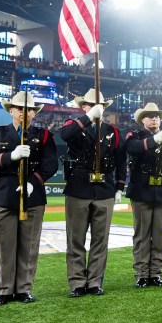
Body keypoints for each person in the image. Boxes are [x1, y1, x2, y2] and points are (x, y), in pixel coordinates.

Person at [0, 91, 58, 306]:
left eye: (29, 109)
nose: (25, 112)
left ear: (34, 113)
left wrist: (33, 181)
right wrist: (10, 156)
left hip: (33, 195)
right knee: (4, 246)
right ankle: (4, 290)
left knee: (29, 246)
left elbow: (51, 164)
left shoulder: (44, 136)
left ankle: (23, 289)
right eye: (20, 109)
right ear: (11, 110)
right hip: (3, 195)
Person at [59, 88, 127, 297]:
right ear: (84, 107)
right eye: (91, 106)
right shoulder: (74, 125)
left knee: (100, 240)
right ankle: (77, 282)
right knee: (76, 239)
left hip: (105, 190)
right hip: (79, 188)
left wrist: (119, 187)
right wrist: (88, 118)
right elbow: (64, 136)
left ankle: (95, 281)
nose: (98, 109)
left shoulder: (112, 131)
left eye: (101, 106)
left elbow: (121, 161)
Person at [123, 102, 162, 288]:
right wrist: (154, 140)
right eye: (150, 116)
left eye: (157, 116)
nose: (154, 118)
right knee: (142, 235)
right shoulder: (134, 135)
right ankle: (142, 274)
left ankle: (156, 273)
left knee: (159, 236)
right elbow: (131, 149)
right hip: (142, 191)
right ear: (142, 119)